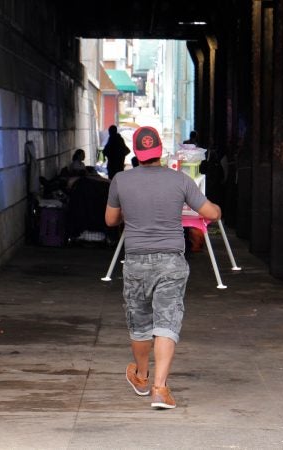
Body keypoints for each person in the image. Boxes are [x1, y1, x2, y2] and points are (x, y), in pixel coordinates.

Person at [105, 126, 221, 409]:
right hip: (171, 261)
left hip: (136, 261)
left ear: (137, 152)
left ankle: (142, 377)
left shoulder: (121, 180)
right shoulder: (180, 180)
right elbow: (212, 214)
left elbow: (110, 221)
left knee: (140, 322)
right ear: (160, 152)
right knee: (166, 322)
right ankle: (160, 389)